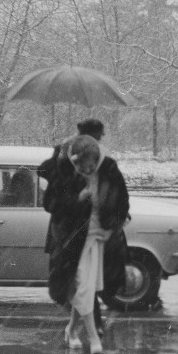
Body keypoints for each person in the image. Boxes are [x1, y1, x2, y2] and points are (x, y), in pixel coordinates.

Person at [41, 134, 129, 354]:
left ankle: (71, 330)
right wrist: (76, 198)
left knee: (85, 288)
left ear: (97, 160)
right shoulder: (65, 170)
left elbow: (122, 203)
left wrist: (114, 226)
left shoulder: (109, 171)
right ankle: (93, 338)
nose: (86, 173)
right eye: (81, 169)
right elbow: (50, 204)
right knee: (82, 287)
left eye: (90, 168)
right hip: (71, 242)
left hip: (98, 239)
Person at [38, 117, 113, 333]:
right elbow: (51, 199)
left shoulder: (95, 162)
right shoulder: (64, 162)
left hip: (84, 232)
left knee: (84, 282)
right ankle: (84, 327)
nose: (101, 140)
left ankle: (85, 326)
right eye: (99, 135)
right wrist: (78, 197)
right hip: (66, 234)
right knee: (71, 284)